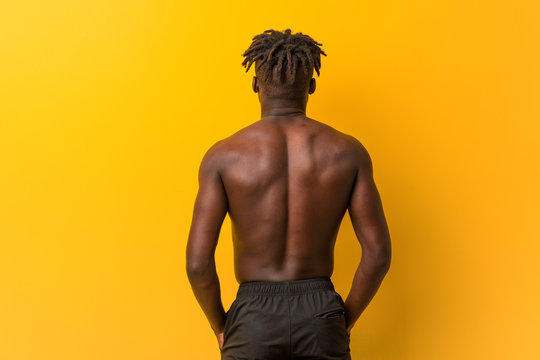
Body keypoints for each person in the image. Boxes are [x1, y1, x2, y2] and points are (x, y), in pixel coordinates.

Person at [186, 28, 392, 360]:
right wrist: (342, 321)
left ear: (255, 84)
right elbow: (378, 255)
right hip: (320, 311)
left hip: (252, 316)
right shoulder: (347, 152)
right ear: (311, 86)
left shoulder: (224, 156)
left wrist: (221, 327)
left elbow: (198, 264)